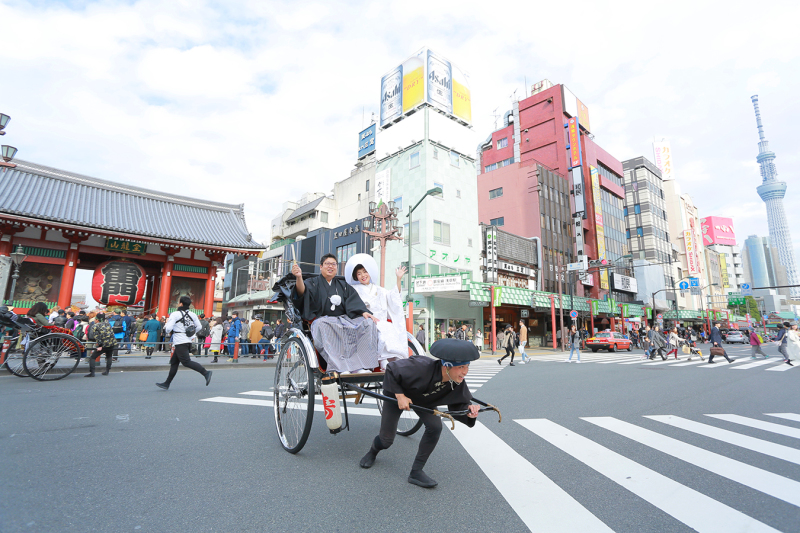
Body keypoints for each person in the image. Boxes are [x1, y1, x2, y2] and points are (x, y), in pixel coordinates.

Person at [359, 338, 480, 488]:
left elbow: (457, 403)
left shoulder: (455, 379)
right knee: (386, 440)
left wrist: (468, 410)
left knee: (435, 427)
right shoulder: (421, 366)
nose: (465, 372)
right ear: (447, 366)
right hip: (398, 392)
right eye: (461, 367)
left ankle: (416, 472)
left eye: (467, 367)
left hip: (423, 399)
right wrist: (400, 395)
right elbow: (390, 368)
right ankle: (373, 452)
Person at [291, 254, 379, 373]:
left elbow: (354, 301)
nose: (330, 266)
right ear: (321, 267)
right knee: (322, 324)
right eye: (327, 264)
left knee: (367, 323)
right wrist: (299, 277)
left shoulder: (343, 285)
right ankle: (340, 367)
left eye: (333, 264)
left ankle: (360, 366)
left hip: (344, 320)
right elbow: (302, 293)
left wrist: (363, 312)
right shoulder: (312, 283)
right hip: (323, 321)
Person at [343, 255, 409, 370]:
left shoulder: (380, 290)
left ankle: (393, 357)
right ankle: (382, 360)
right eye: (359, 274)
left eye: (365, 272)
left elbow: (393, 298)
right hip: (364, 322)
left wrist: (399, 279)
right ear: (355, 277)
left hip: (381, 322)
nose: (363, 275)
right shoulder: (354, 290)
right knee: (380, 330)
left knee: (388, 328)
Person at [156, 296, 212, 390]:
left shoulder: (175, 314)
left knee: (186, 362)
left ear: (181, 304)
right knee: (174, 362)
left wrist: (168, 330)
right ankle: (166, 383)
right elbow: (198, 327)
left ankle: (206, 373)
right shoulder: (193, 314)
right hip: (188, 340)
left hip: (180, 341)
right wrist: (190, 333)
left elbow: (168, 328)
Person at [84, 313, 116, 377]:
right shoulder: (108, 323)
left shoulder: (95, 326)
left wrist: (100, 346)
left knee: (93, 357)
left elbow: (97, 337)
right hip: (112, 343)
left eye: (95, 319)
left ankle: (92, 372)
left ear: (97, 320)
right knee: (109, 356)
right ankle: (107, 371)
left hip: (103, 344)